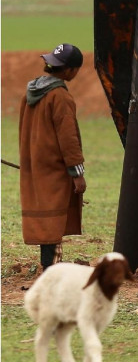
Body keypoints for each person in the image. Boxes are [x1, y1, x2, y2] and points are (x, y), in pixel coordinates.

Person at [19, 43, 87, 273]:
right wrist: (77, 173)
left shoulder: (30, 93)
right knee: (54, 217)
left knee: (45, 214)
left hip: (35, 163)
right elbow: (69, 139)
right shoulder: (60, 97)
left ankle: (48, 264)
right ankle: (51, 269)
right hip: (54, 167)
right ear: (70, 70)